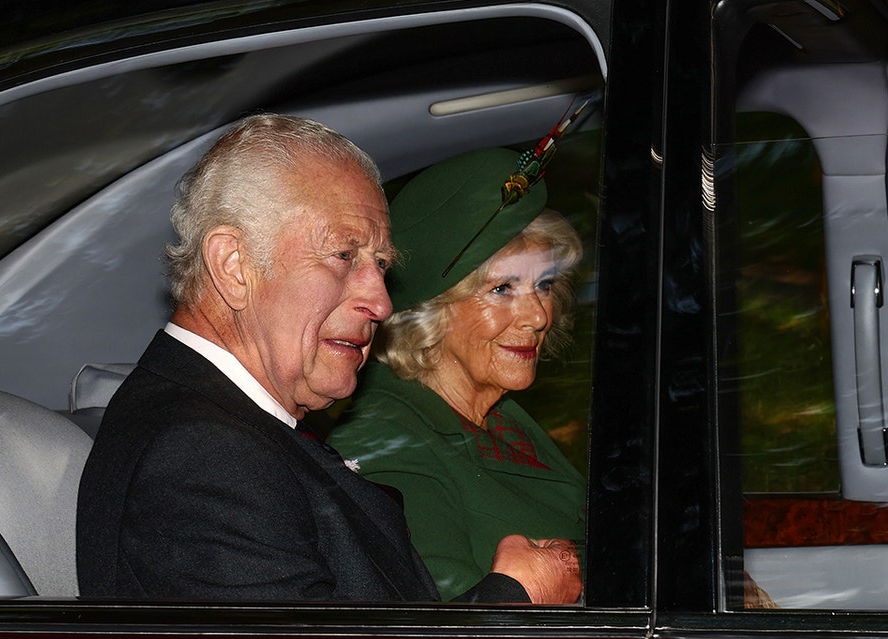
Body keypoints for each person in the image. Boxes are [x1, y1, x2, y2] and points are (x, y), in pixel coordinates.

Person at [75, 113, 581, 604]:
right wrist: (514, 600)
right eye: (344, 256)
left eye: (381, 265)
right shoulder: (201, 456)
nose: (382, 303)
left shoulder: (237, 432)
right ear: (234, 266)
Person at [327, 146, 588, 601]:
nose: (538, 316)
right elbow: (445, 638)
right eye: (503, 288)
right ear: (433, 312)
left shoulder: (499, 417)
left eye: (544, 285)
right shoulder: (385, 441)